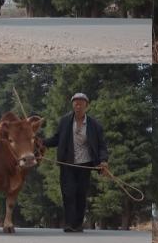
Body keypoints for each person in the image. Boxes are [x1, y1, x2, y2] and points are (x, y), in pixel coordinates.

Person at [44, 93, 109, 233]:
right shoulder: (65, 121)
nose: (77, 106)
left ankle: (78, 224)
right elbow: (56, 139)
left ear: (87, 105)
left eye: (80, 103)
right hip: (68, 163)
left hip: (85, 164)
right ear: (72, 105)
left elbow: (102, 145)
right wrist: (41, 142)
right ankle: (69, 224)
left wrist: (103, 161)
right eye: (75, 103)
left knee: (80, 194)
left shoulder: (95, 125)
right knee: (68, 193)